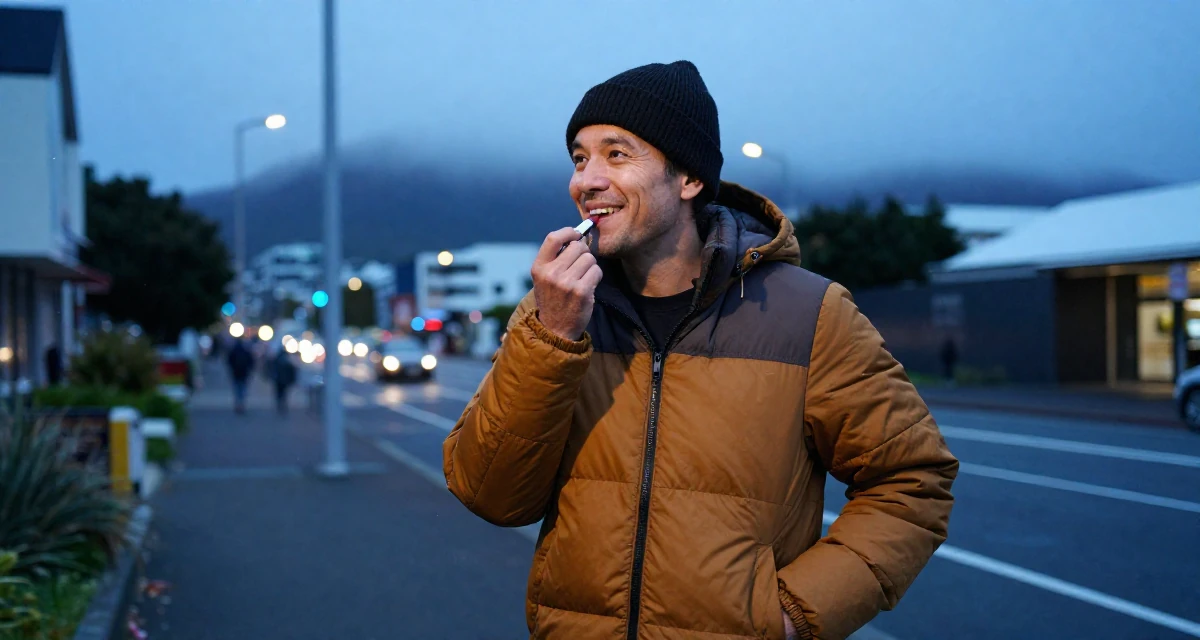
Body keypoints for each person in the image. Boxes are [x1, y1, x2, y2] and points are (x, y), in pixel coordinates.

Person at [442, 61, 958, 640]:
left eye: (617, 154)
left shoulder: (809, 314)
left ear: (688, 179)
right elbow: (491, 496)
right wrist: (553, 340)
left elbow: (913, 481)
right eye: (579, 158)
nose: (586, 180)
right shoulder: (553, 314)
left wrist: (790, 616)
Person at [226, 337, 254, 414]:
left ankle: (238, 403)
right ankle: (241, 403)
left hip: (236, 373)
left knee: (237, 388)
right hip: (244, 373)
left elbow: (229, 361)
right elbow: (251, 361)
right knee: (243, 388)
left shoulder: (233, 350)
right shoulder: (246, 350)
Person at [270, 347, 298, 415]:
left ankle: (280, 404)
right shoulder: (287, 362)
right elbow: (292, 372)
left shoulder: (276, 361)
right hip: (285, 381)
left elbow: (272, 370)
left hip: (278, 380)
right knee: (284, 393)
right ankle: (283, 404)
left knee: (279, 393)